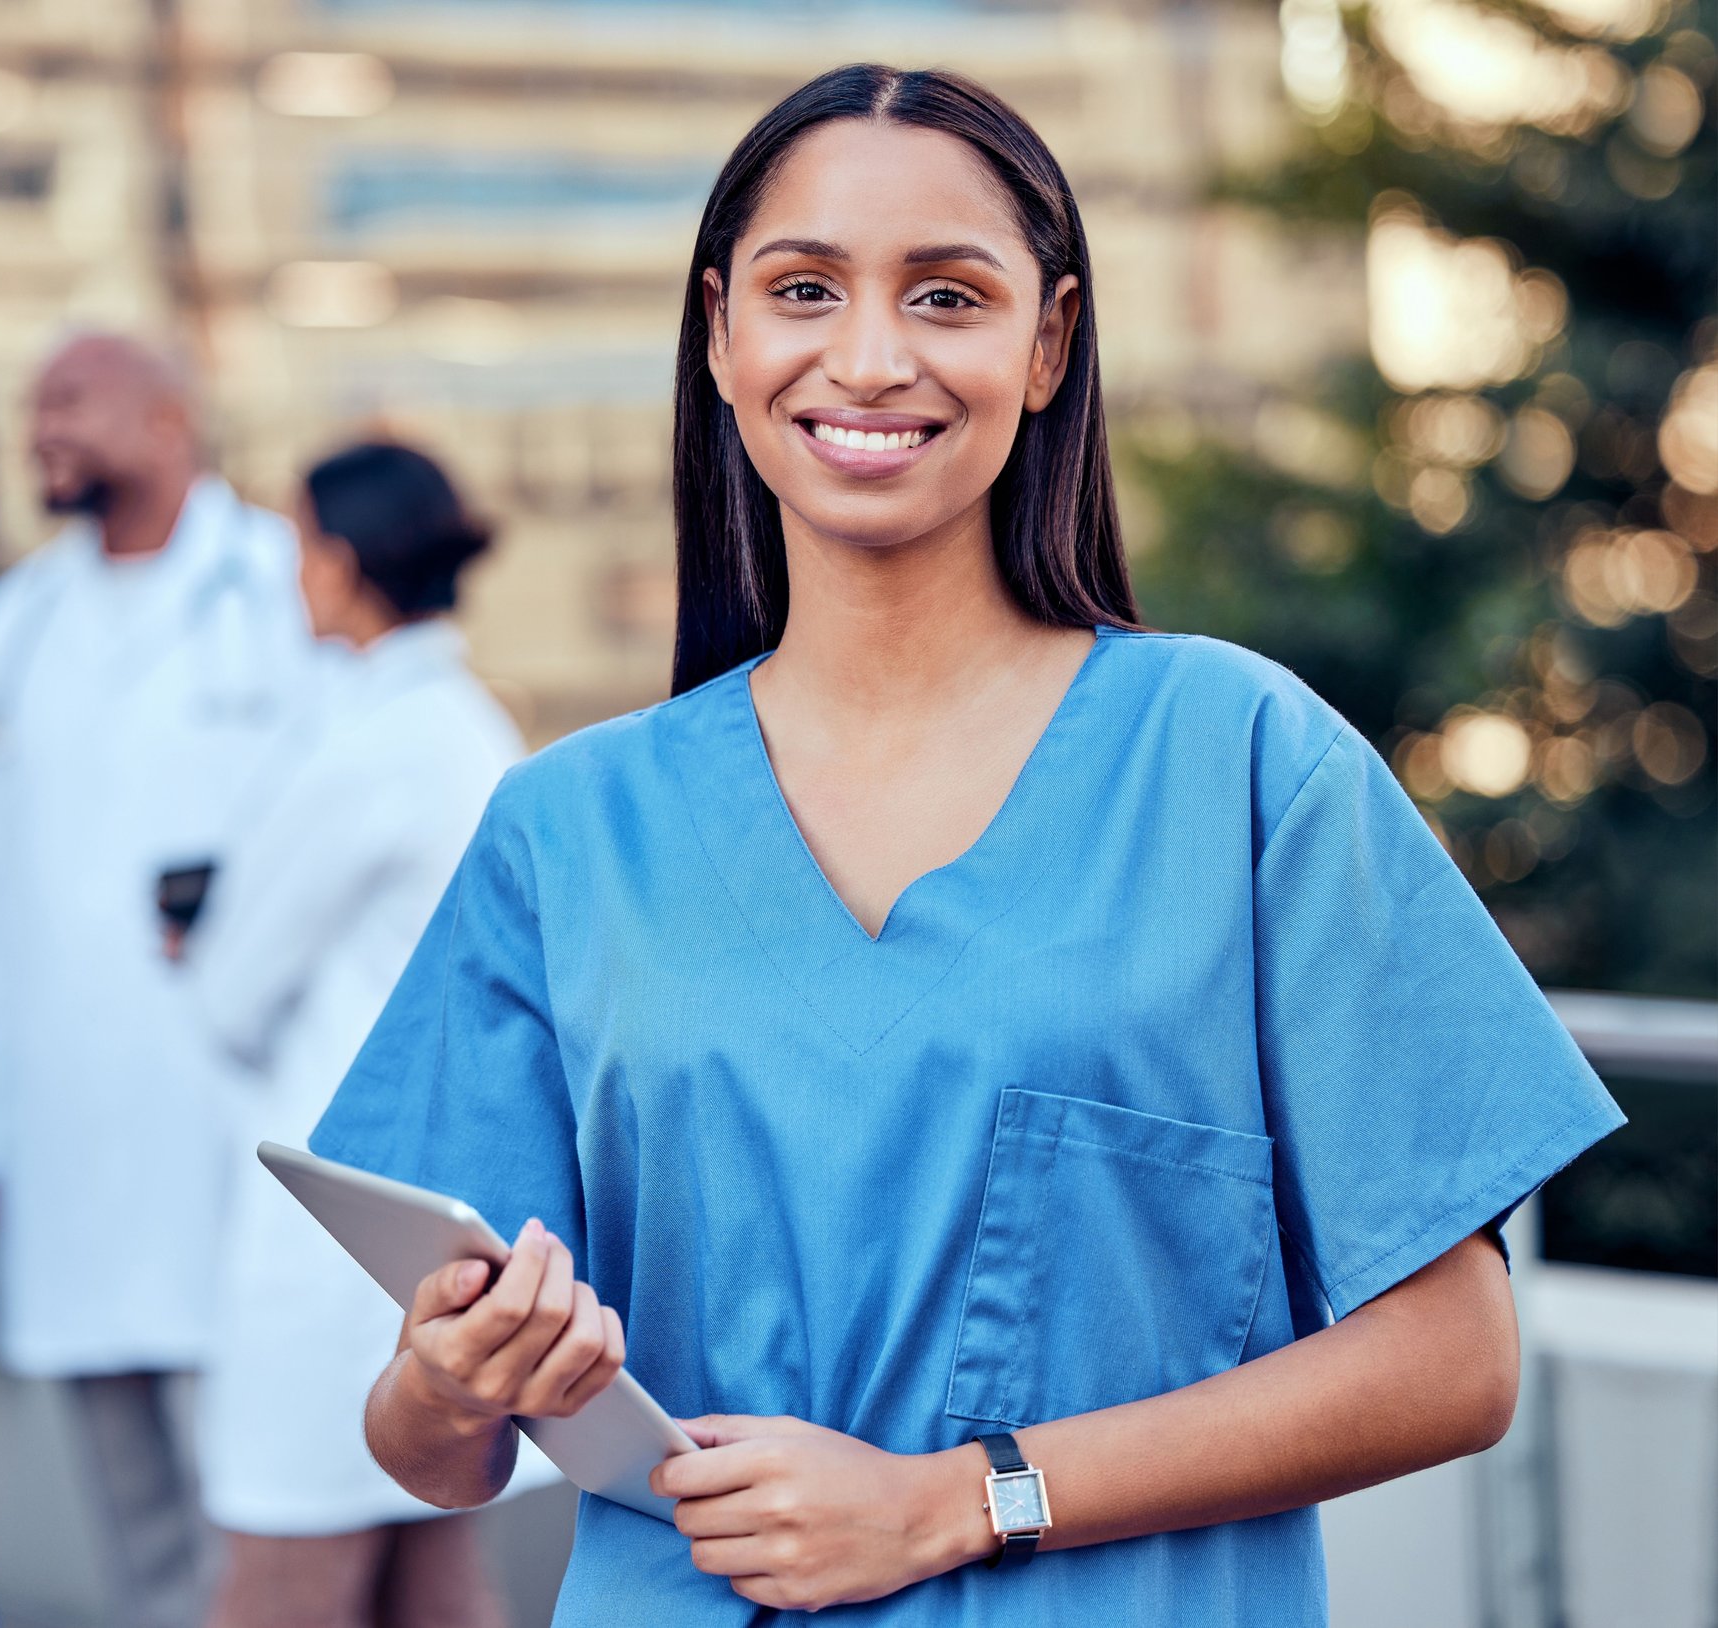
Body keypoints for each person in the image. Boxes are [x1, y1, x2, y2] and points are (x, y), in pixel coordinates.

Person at [307, 65, 1626, 1627]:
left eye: (946, 294)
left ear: (1048, 341)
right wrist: (456, 1385)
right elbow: (432, 1454)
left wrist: (956, 1499)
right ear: (722, 332)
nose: (868, 359)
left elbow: (1455, 1360)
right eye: (805, 291)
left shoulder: (1239, 760)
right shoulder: (567, 828)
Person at [0, 331, 316, 1628]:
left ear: (168, 418)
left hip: (239, 1125)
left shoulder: (282, 588)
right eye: (34, 412)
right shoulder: (18, 621)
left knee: (255, 1505)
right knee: (134, 1519)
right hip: (73, 1132)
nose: (43, 437)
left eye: (70, 405)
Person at [181, 444, 551, 1628]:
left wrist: (193, 943)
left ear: (337, 564)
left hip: (333, 1231)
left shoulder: (370, 746)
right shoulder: (468, 725)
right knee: (430, 1586)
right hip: (425, 1219)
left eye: (297, 548)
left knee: (281, 1586)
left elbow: (228, 993)